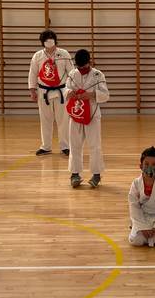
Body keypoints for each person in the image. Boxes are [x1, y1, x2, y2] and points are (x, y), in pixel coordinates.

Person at [66, 49, 109, 188]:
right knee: (74, 145)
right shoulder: (72, 74)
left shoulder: (98, 75)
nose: (81, 69)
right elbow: (64, 89)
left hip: (92, 115)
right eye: (79, 67)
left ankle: (96, 174)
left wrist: (91, 94)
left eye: (83, 66)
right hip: (76, 113)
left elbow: (105, 94)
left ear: (89, 62)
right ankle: (74, 174)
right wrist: (69, 93)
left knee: (94, 145)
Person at [28, 29, 74, 156]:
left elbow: (72, 72)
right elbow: (33, 73)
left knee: (63, 120)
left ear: (55, 41)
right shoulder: (38, 56)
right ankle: (46, 146)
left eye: (51, 39)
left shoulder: (64, 53)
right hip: (43, 90)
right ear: (42, 42)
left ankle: (65, 146)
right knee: (45, 119)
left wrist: (72, 89)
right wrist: (32, 90)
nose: (49, 41)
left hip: (61, 90)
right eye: (46, 39)